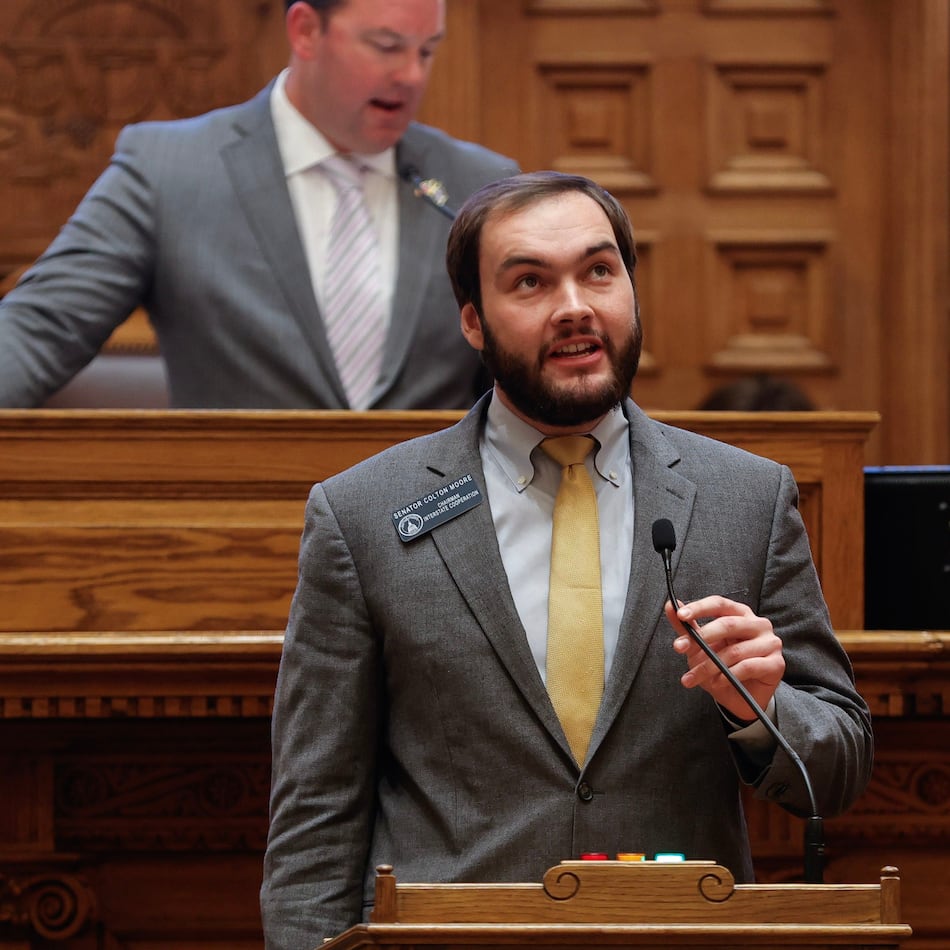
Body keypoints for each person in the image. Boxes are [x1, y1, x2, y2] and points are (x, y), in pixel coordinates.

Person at [260, 171, 873, 949]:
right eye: (529, 281)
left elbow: (841, 766)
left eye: (599, 271)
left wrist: (763, 709)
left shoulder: (745, 499)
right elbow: (315, 817)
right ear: (474, 322)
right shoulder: (361, 515)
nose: (576, 306)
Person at [0, 0, 519, 409]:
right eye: (386, 46)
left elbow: (522, 368)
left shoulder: (479, 183)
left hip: (434, 525)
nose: (411, 75)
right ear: (305, 31)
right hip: (235, 519)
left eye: (426, 51)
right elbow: (40, 328)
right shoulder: (166, 171)